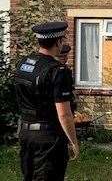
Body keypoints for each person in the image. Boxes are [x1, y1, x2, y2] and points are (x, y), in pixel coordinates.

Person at [14, 21, 80, 180]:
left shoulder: (22, 63)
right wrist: (73, 141)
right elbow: (64, 114)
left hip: (25, 133)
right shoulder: (58, 71)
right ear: (58, 42)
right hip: (48, 137)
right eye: (62, 40)